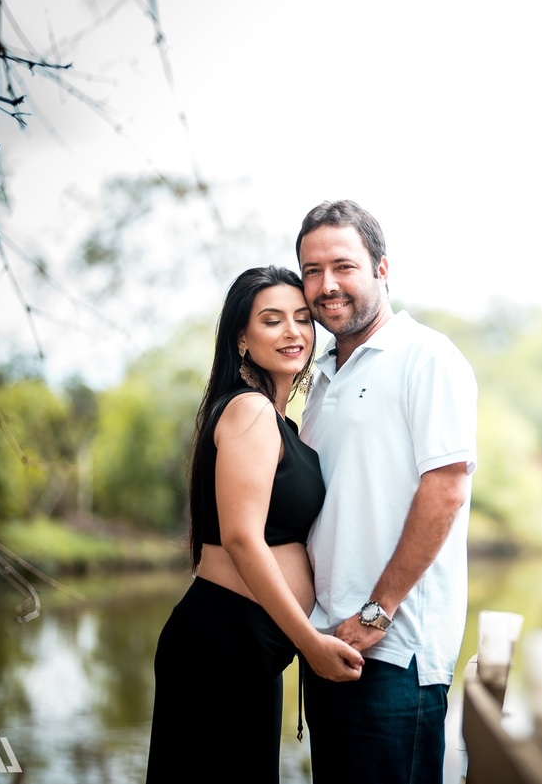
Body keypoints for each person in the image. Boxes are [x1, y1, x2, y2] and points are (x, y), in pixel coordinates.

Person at [146, 266, 364, 783]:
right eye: (272, 321)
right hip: (222, 644)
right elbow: (243, 540)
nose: (293, 332)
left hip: (246, 646)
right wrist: (311, 644)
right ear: (241, 338)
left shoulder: (279, 419)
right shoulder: (248, 411)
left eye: (303, 319)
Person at [295, 200, 478, 782]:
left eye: (343, 266)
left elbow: (446, 488)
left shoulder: (427, 356)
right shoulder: (322, 376)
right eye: (312, 271)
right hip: (328, 643)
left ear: (381, 268)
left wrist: (376, 613)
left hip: (395, 655)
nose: (326, 286)